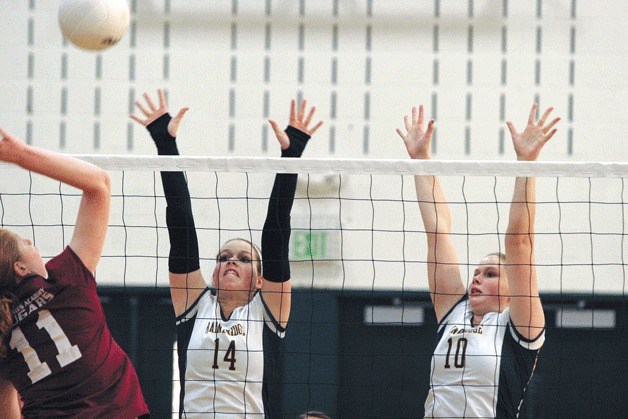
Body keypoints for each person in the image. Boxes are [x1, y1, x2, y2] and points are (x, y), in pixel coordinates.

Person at [131, 90, 322, 418]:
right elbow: (180, 225)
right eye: (223, 257)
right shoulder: (194, 304)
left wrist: (291, 157)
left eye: (244, 259)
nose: (231, 260)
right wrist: (166, 145)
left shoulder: (267, 313)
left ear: (260, 280)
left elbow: (276, 234)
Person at [396, 104, 559, 417]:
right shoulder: (455, 311)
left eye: (491, 274)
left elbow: (520, 242)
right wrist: (421, 161)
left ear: (514, 287)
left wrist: (526, 164)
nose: (477, 278)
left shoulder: (520, 327)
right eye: (477, 273)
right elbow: (437, 232)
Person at [0, 130, 149, 418]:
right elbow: (99, 183)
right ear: (20, 268)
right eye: (25, 243)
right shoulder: (64, 281)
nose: (33, 244)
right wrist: (21, 155)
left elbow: (7, 411)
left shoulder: (2, 329)